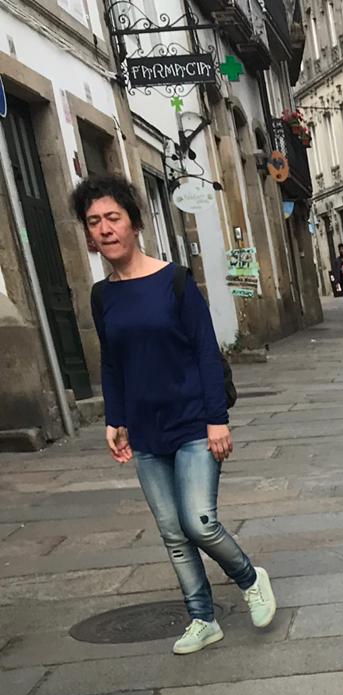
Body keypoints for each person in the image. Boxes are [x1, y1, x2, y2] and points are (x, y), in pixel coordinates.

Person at [74, 176, 276, 656]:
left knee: (199, 521)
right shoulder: (102, 296)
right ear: (87, 233)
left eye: (113, 218)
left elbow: (207, 352)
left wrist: (216, 419)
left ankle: (251, 578)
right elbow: (111, 360)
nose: (105, 229)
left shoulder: (177, 281)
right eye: (94, 222)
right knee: (171, 530)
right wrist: (114, 419)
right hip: (145, 431)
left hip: (192, 423)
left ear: (135, 223)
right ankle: (202, 618)